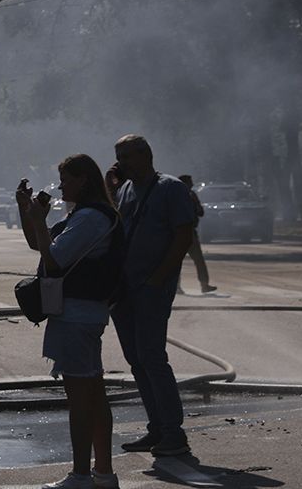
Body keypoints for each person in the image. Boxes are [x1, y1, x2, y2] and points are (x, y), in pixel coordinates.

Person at [18, 155, 123, 489]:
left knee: (80, 401)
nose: (61, 186)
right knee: (94, 396)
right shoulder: (83, 215)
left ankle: (80, 475)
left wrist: (39, 220)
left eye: (66, 179)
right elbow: (38, 243)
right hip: (83, 314)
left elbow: (54, 260)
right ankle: (103, 473)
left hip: (76, 315)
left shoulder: (90, 217)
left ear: (83, 180)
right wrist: (28, 212)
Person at [110, 134, 195, 458]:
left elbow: (183, 236)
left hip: (151, 289)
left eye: (127, 156)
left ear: (146, 155)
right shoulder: (125, 190)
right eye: (118, 157)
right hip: (125, 290)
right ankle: (157, 427)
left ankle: (173, 432)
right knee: (137, 360)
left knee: (152, 357)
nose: (122, 163)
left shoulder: (170, 188)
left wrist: (159, 279)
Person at [176, 174, 216, 294]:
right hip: (178, 232)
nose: (192, 184)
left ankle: (204, 285)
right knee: (176, 260)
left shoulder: (192, 195)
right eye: (189, 182)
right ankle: (176, 286)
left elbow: (200, 212)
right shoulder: (175, 196)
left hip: (190, 231)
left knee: (199, 259)